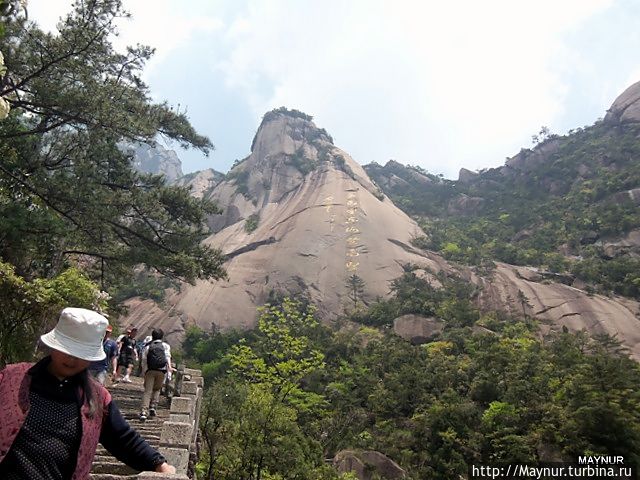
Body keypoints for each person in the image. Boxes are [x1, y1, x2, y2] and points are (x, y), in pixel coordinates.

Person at [0, 307, 176, 478]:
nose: (71, 359)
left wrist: (159, 464)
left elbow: (122, 438)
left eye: (80, 354)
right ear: (53, 345)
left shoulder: (97, 398)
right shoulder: (10, 379)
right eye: (66, 349)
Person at [139, 328, 172, 421]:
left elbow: (144, 360)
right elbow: (167, 357)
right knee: (157, 389)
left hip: (150, 370)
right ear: (162, 336)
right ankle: (153, 406)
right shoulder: (165, 346)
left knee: (147, 391)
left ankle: (144, 411)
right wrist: (169, 369)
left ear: (152, 336)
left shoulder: (148, 347)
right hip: (161, 371)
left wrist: (144, 371)